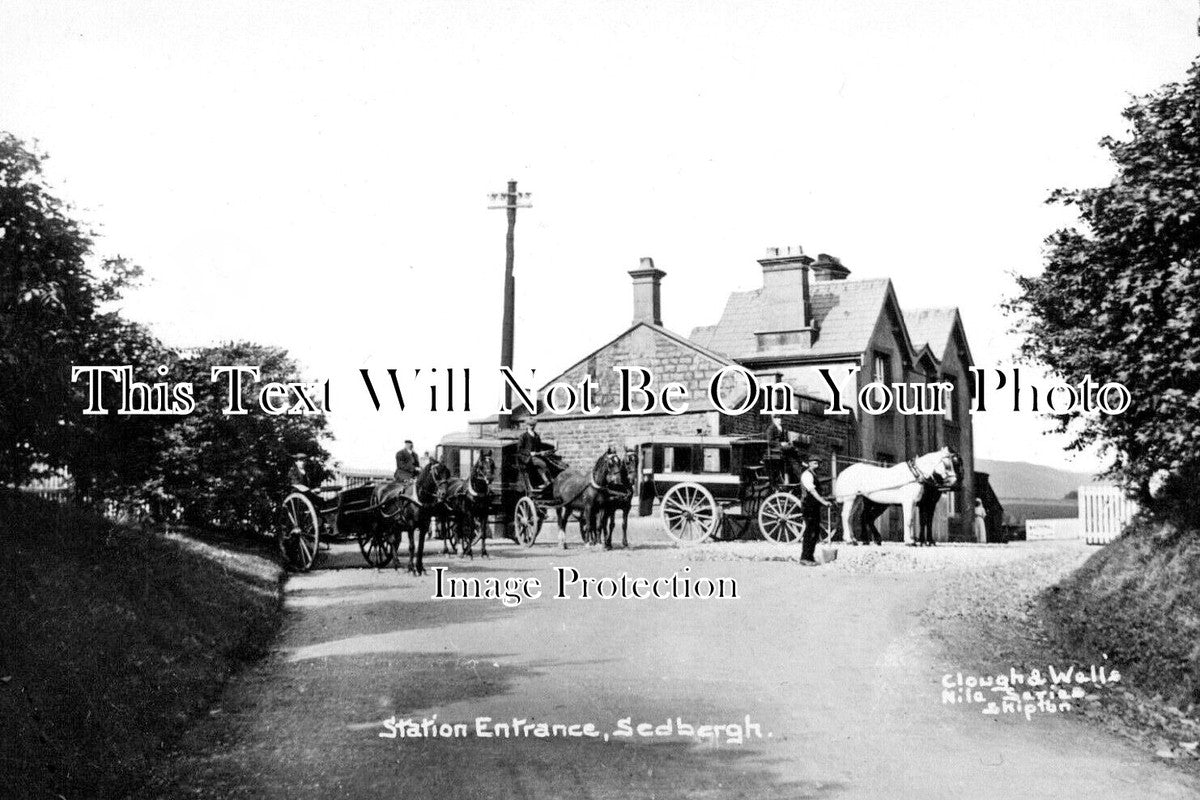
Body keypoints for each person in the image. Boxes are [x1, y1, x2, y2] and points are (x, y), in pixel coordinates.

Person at [798, 456, 831, 565]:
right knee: (810, 532)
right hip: (808, 506)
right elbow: (812, 491)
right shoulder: (807, 475)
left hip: (814, 506)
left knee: (815, 532)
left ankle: (810, 557)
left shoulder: (813, 474)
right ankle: (805, 558)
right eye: (814, 463)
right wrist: (823, 501)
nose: (817, 465)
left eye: (817, 463)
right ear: (809, 464)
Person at [518, 419, 555, 491]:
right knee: (542, 464)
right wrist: (529, 453)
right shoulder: (523, 436)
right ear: (527, 426)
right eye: (530, 425)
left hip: (536, 456)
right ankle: (546, 482)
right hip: (527, 458)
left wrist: (548, 449)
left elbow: (540, 446)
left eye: (533, 425)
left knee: (549, 462)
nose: (532, 427)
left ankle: (548, 481)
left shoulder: (536, 436)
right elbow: (520, 449)